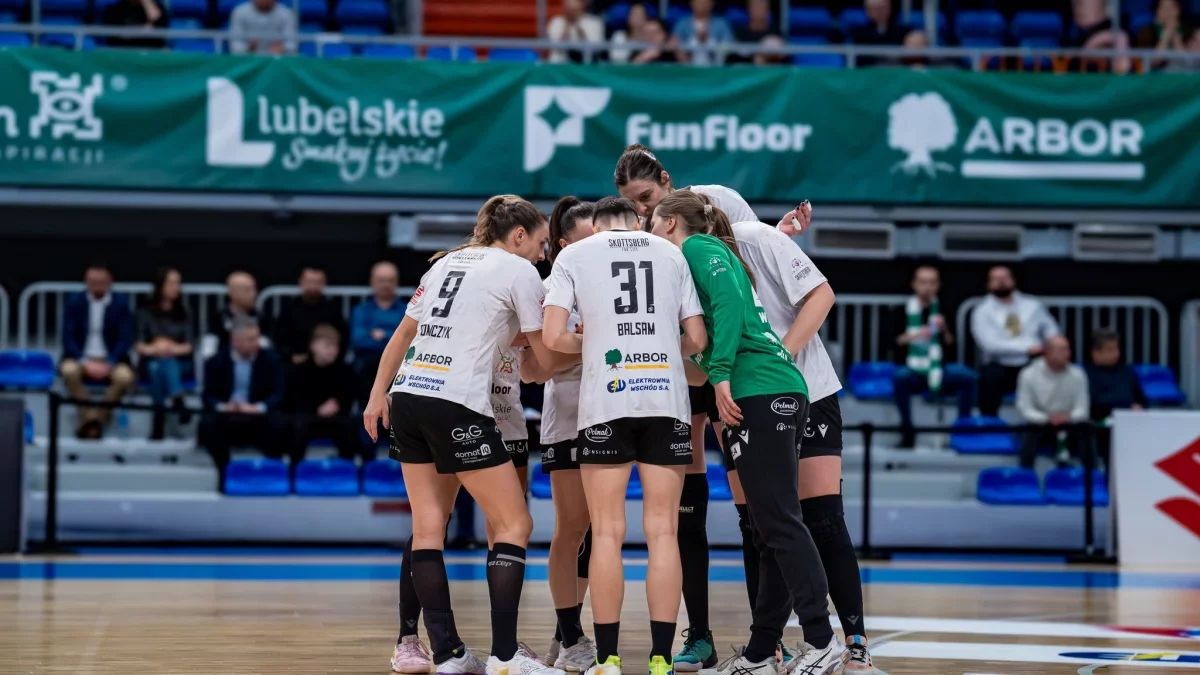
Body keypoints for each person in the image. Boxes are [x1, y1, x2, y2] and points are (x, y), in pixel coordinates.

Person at [362, 195, 566, 675]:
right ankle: (505, 656)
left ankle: (449, 654)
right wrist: (595, 346)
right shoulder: (519, 271)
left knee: (428, 528)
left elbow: (403, 335)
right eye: (540, 243)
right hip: (456, 402)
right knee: (514, 525)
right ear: (519, 235)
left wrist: (376, 395)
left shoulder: (446, 263)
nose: (543, 254)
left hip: (407, 395)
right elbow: (542, 364)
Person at [647, 192, 842, 675]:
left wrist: (720, 374)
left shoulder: (697, 247)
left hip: (760, 388)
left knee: (780, 522)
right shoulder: (706, 256)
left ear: (670, 222)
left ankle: (822, 639)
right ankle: (760, 652)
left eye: (651, 223)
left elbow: (731, 304)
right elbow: (705, 340)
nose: (648, 232)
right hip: (769, 387)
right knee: (768, 525)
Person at [543, 196, 708, 675]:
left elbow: (553, 337)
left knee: (607, 533)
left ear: (596, 226)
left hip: (606, 401)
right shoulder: (671, 253)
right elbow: (698, 339)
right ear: (639, 222)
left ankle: (608, 658)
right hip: (665, 400)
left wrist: (599, 345)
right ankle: (660, 658)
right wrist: (660, 348)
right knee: (664, 531)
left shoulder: (575, 255)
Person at [534, 197, 598, 673]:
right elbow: (537, 367)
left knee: (597, 532)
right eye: (588, 237)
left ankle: (566, 631)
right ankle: (571, 633)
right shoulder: (550, 286)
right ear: (563, 244)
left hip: (612, 414)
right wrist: (595, 343)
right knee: (572, 527)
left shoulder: (615, 278)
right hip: (569, 417)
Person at [613, 143, 811, 235]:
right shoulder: (636, 234)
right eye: (631, 203)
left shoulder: (718, 198)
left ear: (664, 179)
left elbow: (757, 247)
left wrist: (778, 233)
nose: (640, 209)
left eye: (645, 196)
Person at [892, 266, 976, 448]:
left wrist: (944, 329)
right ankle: (907, 430)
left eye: (932, 282)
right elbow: (893, 342)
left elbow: (952, 344)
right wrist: (915, 336)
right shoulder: (902, 310)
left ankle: (963, 430)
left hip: (939, 368)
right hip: (912, 368)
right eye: (923, 282)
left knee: (968, 377)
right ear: (914, 284)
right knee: (900, 377)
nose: (927, 287)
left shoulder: (945, 310)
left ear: (938, 286)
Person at [200, 317, 286, 486]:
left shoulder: (271, 359)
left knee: (279, 424)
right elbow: (208, 396)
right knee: (208, 425)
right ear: (235, 341)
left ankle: (272, 476)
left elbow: (278, 394)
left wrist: (257, 408)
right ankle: (224, 474)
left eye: (257, 338)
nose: (256, 343)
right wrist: (224, 407)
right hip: (228, 415)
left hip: (258, 415)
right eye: (251, 339)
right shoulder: (216, 361)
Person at [59, 261, 136, 440]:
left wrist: (110, 363)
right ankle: (92, 421)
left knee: (125, 377)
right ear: (86, 282)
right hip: (81, 357)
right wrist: (83, 361)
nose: (96, 286)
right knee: (68, 371)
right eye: (92, 282)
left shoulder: (121, 303)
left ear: (109, 282)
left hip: (111, 359)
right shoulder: (74, 302)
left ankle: (93, 421)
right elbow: (67, 337)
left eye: (101, 282)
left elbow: (125, 338)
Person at [970, 266, 1059, 417]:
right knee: (989, 377)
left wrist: (1051, 345)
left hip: (1032, 361)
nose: (1001, 282)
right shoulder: (982, 311)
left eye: (1005, 277)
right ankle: (990, 423)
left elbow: (1051, 328)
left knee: (1054, 371)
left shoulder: (1032, 305)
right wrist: (1027, 348)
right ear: (988, 284)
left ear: (1013, 280)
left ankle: (1050, 421)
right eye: (996, 279)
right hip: (999, 364)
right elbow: (990, 345)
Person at [285, 324, 362, 464]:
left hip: (336, 418)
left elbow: (350, 396)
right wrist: (316, 410)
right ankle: (294, 470)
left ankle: (348, 471)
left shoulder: (345, 371)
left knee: (350, 427)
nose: (332, 350)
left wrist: (338, 404)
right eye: (327, 345)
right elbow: (294, 399)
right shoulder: (299, 371)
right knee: (297, 426)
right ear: (313, 346)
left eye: (335, 346)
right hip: (309, 417)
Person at [135, 267, 194, 440]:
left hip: (180, 363)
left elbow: (188, 346)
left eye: (178, 283)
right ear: (160, 285)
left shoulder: (184, 313)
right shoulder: (144, 312)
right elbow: (139, 345)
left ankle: (158, 419)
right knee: (156, 366)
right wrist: (155, 349)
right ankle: (177, 399)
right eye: (171, 283)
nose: (175, 287)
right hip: (150, 359)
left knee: (162, 365)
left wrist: (169, 348)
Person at [1017, 336, 1090, 469]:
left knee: (1085, 430)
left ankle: (1092, 474)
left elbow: (1082, 409)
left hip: (1069, 423)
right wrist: (1047, 419)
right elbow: (1025, 410)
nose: (1067, 354)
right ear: (1047, 353)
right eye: (1061, 350)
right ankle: (1025, 475)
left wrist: (1068, 418)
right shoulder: (1028, 374)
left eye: (1067, 349)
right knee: (1031, 432)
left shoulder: (1078, 374)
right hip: (1042, 423)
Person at [1085, 329, 1146, 467]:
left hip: (1131, 426)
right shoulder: (1087, 374)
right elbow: (1095, 403)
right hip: (1101, 428)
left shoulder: (1126, 372)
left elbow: (1142, 400)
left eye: (1116, 349)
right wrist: (1127, 407)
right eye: (1110, 350)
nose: (1116, 353)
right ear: (1095, 353)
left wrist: (1139, 407)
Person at [351, 261, 405, 406]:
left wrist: (382, 335)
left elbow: (410, 342)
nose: (386, 284)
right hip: (367, 367)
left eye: (390, 280)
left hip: (399, 367)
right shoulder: (361, 310)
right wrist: (393, 337)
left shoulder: (407, 311)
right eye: (381, 280)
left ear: (397, 283)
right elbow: (358, 341)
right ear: (372, 282)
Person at [273, 265, 348, 365]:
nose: (312, 286)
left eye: (317, 282)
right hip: (295, 364)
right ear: (300, 282)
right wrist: (291, 356)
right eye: (309, 282)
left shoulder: (333, 310)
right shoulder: (289, 309)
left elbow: (343, 339)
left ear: (324, 283)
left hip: (328, 364)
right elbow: (279, 339)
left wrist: (331, 356)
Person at [1068, 0, 1131, 73]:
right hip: (1076, 32)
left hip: (1100, 28)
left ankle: (1121, 76)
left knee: (1121, 38)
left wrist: (1094, 41)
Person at [212, 271, 264, 350]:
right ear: (232, 293)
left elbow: (267, 346)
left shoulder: (260, 317)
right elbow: (209, 348)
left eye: (254, 289)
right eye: (247, 290)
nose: (253, 294)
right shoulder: (219, 318)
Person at [671, 0, 734, 65]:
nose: (702, 4)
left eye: (705, 2)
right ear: (691, 3)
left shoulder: (721, 23)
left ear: (712, 4)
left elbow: (727, 45)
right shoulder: (682, 23)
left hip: (715, 66)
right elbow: (674, 43)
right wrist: (686, 63)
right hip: (687, 66)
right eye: (699, 1)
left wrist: (708, 40)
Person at [229, 0, 298, 55]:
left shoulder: (286, 14)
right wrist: (247, 48)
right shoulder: (239, 12)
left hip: (278, 60)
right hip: (247, 60)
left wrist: (282, 48)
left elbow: (292, 44)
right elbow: (235, 45)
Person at [851, 0, 909, 65]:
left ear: (890, 8)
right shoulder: (859, 33)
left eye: (883, 8)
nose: (880, 12)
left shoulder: (903, 32)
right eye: (876, 9)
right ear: (868, 11)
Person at [101, 0, 168, 48]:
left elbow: (158, 23)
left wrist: (147, 2)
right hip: (123, 53)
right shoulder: (113, 11)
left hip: (150, 53)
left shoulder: (159, 10)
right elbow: (117, 35)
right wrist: (142, 31)